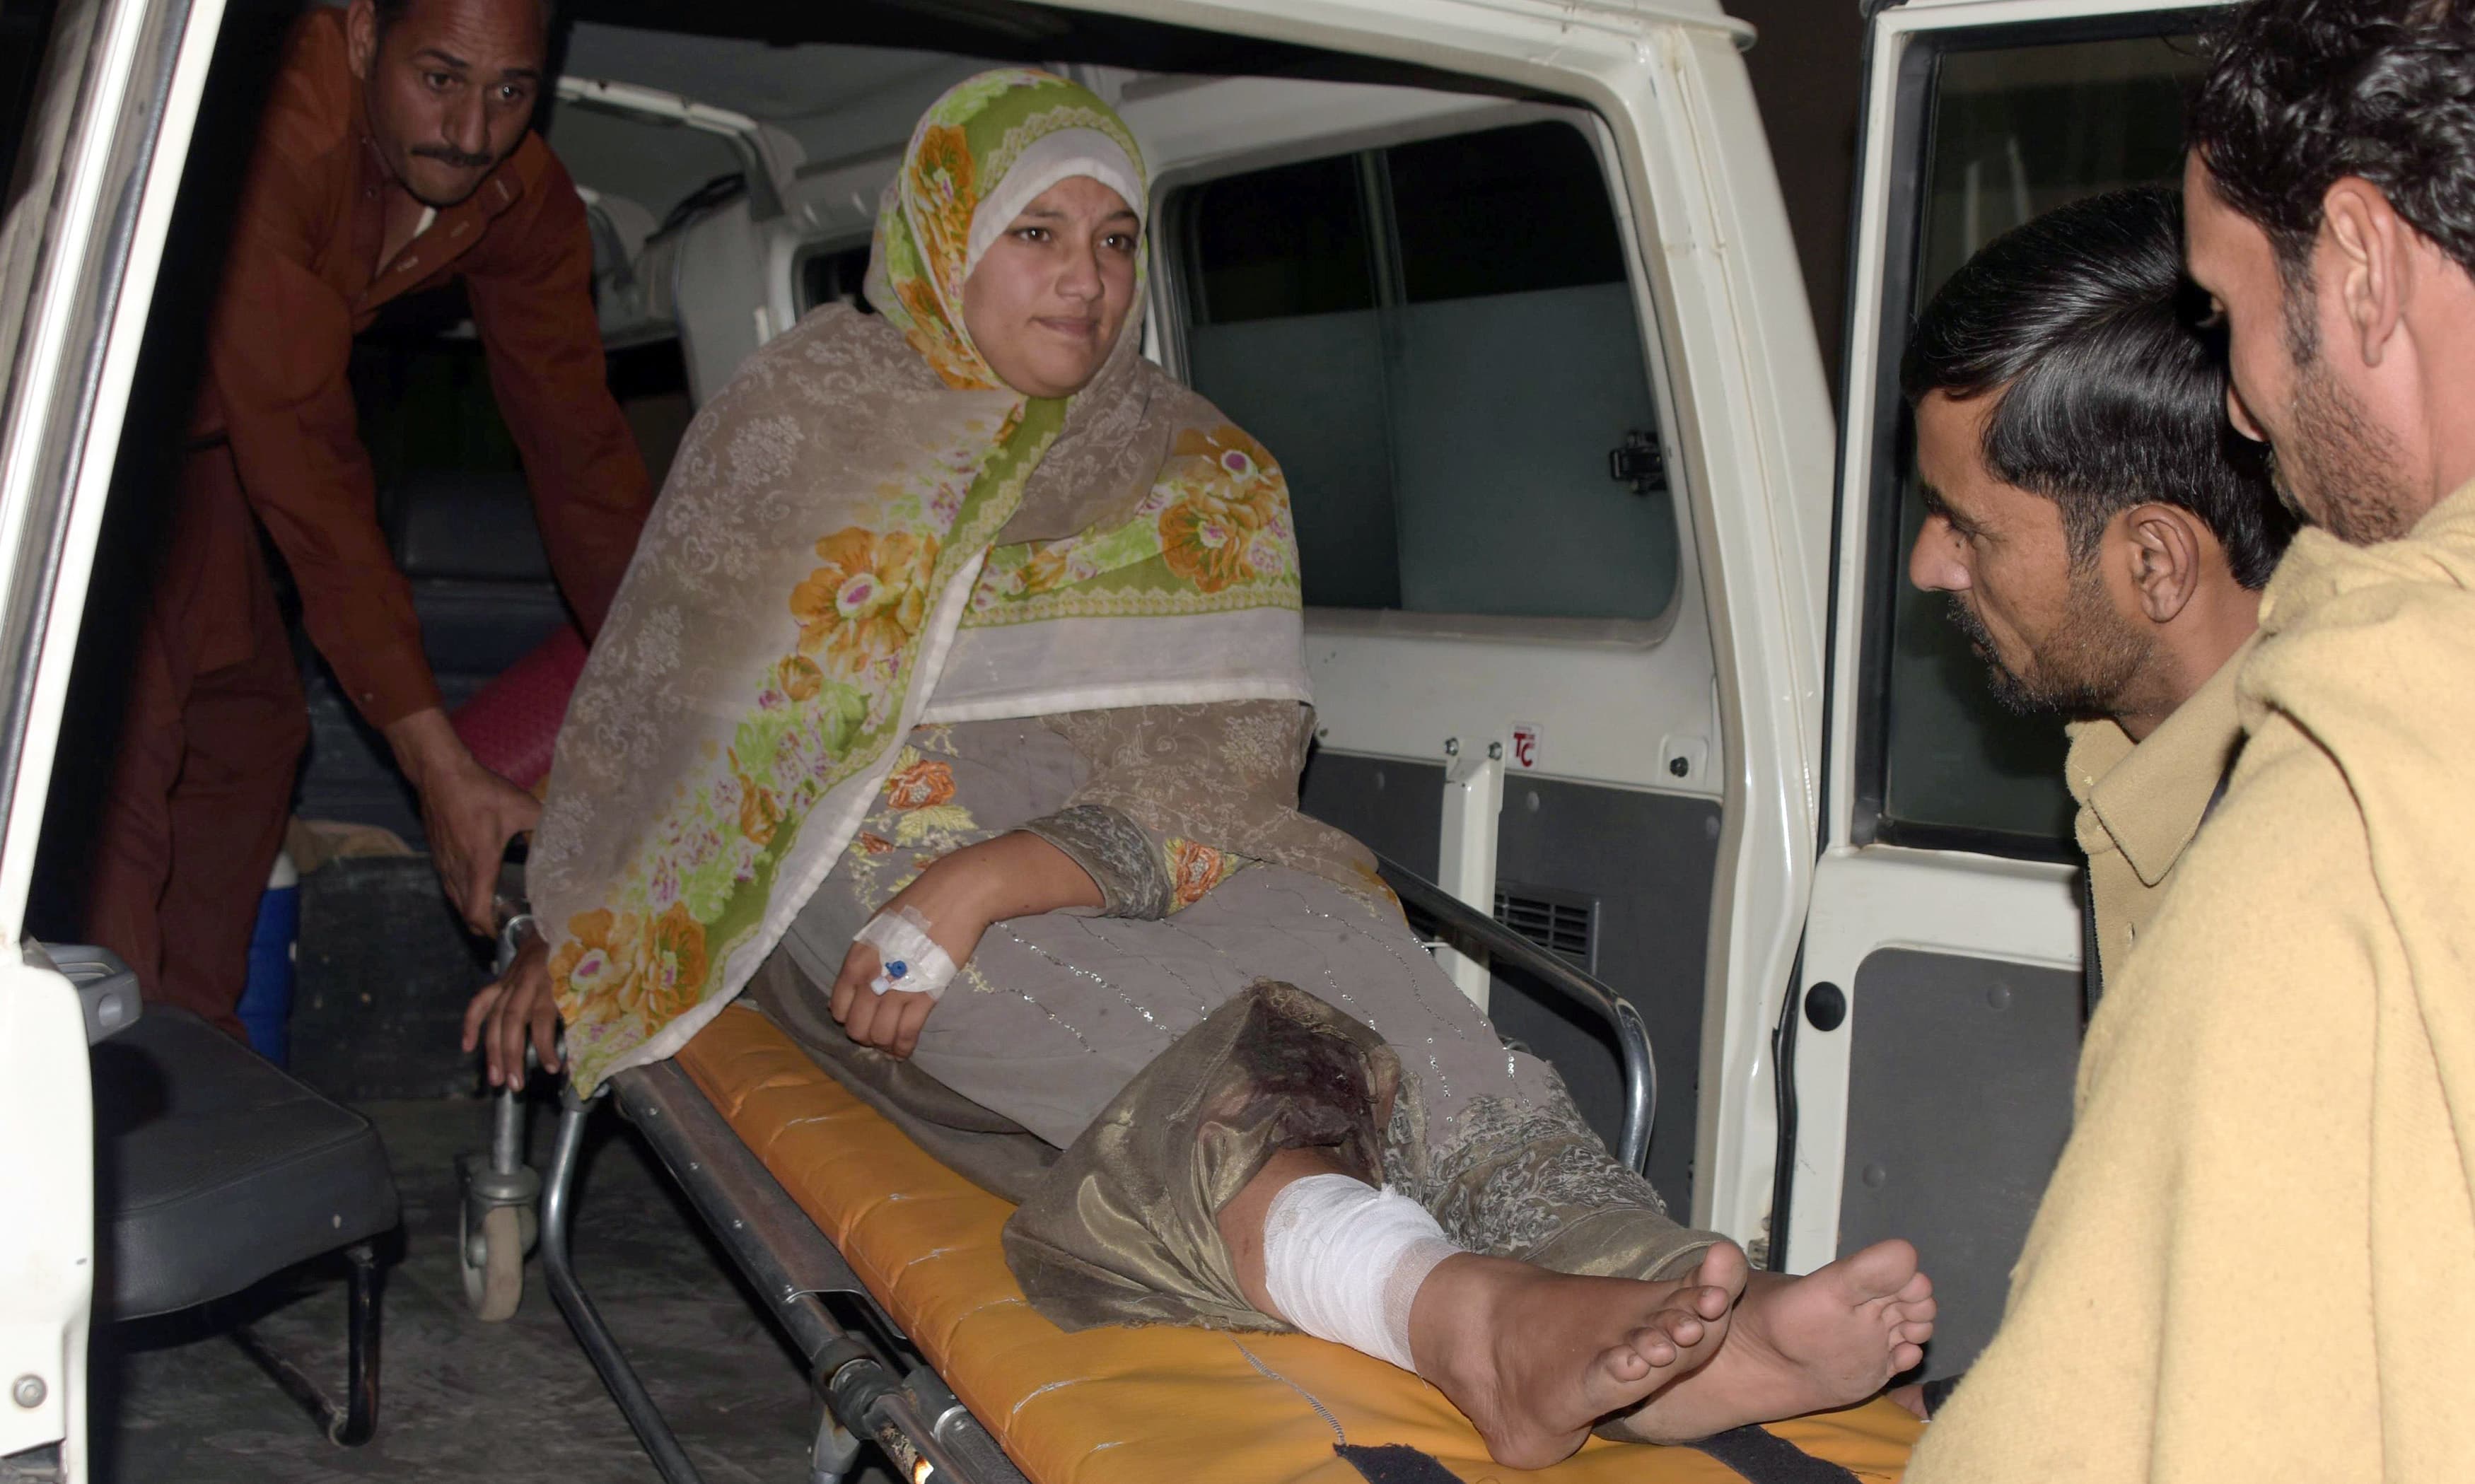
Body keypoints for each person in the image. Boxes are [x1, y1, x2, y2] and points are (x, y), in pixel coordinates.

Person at [467, 69, 1934, 1470]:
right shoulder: (796, 424)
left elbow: (1233, 770)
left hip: (1150, 828)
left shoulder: (1201, 468)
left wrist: (1009, 867)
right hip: (852, 834)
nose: (1083, 279)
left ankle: (1681, 1302)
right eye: (1034, 233)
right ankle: (1461, 1315)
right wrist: (583, 924)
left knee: (1347, 944)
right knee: (1138, 1018)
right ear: (939, 245)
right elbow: (692, 718)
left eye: (1113, 240)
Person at [1906, 1, 2475, 1478]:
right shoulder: (2182, 778)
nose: (2238, 401)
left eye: (2230, 319)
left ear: (2355, 265)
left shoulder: (2346, 787)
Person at [84, 0, 653, 1034]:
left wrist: (674, 687)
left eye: (511, 92)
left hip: (206, 447)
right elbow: (304, 444)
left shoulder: (519, 195)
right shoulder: (272, 134)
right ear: (357, 36)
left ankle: (199, 1077)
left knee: (250, 735)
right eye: (438, 78)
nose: (472, 132)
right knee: (122, 736)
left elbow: (581, 455)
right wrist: (437, 765)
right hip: (87, 440)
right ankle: (90, 1106)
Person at [1903, 185, 2291, 1003]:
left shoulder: (2295, 887)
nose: (1927, 566)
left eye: (1966, 528)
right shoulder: (2135, 774)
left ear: (2154, 562)